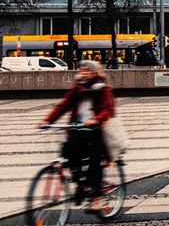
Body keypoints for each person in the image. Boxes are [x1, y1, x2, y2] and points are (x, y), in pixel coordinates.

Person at [39, 60, 115, 203]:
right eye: (82, 70)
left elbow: (107, 110)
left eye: (88, 70)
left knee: (95, 161)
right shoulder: (77, 89)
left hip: (96, 132)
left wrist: (95, 120)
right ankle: (82, 185)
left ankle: (96, 198)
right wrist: (47, 121)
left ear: (95, 72)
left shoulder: (103, 89)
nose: (84, 72)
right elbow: (63, 106)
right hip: (78, 130)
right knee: (69, 154)